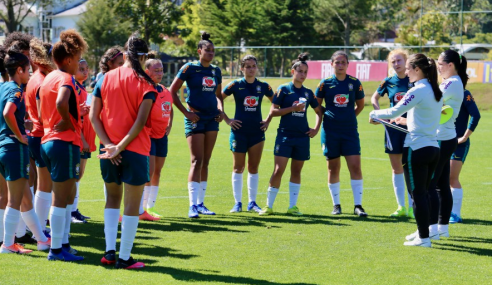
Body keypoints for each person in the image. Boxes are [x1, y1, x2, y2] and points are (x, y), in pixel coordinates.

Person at [90, 34, 156, 269]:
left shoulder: (105, 78)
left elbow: (93, 117)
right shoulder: (146, 83)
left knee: (112, 200)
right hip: (135, 150)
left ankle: (109, 253)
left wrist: (109, 145)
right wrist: (120, 146)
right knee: (131, 205)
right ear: (143, 55)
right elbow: (140, 122)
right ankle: (125, 258)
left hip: (108, 151)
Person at [370, 53, 443, 247]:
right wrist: (405, 121)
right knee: (424, 192)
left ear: (417, 69)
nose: (406, 72)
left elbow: (394, 110)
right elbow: (421, 118)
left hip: (416, 149)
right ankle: (424, 231)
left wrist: (374, 113)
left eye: (409, 68)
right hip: (432, 147)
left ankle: (424, 239)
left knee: (417, 194)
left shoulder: (418, 89)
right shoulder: (434, 89)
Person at [39, 29, 88, 261]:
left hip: (48, 141)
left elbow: (42, 110)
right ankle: (56, 250)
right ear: (68, 60)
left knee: (67, 195)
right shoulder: (66, 78)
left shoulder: (48, 77)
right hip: (63, 143)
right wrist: (69, 123)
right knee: (61, 197)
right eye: (78, 59)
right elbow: (61, 103)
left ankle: (63, 244)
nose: (79, 63)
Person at [259, 53, 323, 216]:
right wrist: (292, 109)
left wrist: (315, 129)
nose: (302, 74)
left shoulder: (309, 93)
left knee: (296, 171)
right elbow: (273, 111)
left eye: (305, 72)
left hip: (302, 137)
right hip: (285, 136)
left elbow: (318, 111)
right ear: (292, 71)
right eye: (300, 71)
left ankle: (292, 207)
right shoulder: (284, 89)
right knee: (278, 170)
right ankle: (268, 206)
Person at [0, 49, 50, 254]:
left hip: (3, 147)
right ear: (19, 70)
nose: (29, 74)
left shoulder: (2, 88)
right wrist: (20, 135)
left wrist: (21, 125)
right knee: (14, 198)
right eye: (28, 70)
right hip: (14, 148)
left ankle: (41, 240)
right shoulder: (16, 90)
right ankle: (8, 244)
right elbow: (7, 112)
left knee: (25, 198)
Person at [169, 32, 224, 218]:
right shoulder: (189, 68)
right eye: (207, 50)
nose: (210, 53)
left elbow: (218, 95)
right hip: (195, 118)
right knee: (196, 160)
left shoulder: (216, 71)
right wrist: (186, 113)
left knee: (206, 162)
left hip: (212, 120)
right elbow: (172, 91)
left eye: (212, 51)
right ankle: (192, 205)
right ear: (199, 51)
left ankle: (201, 204)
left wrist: (220, 111)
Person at [315, 50, 367, 217]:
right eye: (337, 62)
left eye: (343, 62)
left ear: (347, 64)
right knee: (333, 168)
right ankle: (336, 205)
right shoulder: (325, 83)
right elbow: (316, 105)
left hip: (350, 131)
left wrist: (348, 117)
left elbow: (360, 105)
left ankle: (358, 205)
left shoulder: (355, 83)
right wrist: (329, 116)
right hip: (330, 132)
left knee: (355, 166)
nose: (340, 65)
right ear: (332, 64)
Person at [222, 55, 274, 213]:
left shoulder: (263, 86)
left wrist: (268, 119)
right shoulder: (235, 85)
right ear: (242, 68)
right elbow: (217, 98)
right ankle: (237, 203)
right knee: (238, 167)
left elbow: (276, 101)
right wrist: (227, 119)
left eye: (254, 66)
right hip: (238, 132)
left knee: (253, 167)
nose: (251, 69)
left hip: (257, 132)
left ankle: (252, 202)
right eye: (248, 66)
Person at [426, 50, 467, 238]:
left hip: (442, 139)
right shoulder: (452, 82)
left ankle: (430, 229)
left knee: (431, 185)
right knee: (441, 185)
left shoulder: (451, 83)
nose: (438, 67)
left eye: (440, 64)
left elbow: (431, 101)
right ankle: (442, 228)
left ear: (450, 65)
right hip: (445, 137)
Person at [371, 49, 414, 218]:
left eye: (399, 61)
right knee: (396, 169)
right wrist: (381, 115)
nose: (396, 64)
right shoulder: (388, 81)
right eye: (393, 62)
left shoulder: (414, 81)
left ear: (406, 61)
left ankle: (412, 207)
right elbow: (374, 98)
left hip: (411, 129)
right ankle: (401, 207)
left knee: (410, 168)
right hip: (393, 130)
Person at [26, 38, 56, 236]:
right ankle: (39, 230)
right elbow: (43, 114)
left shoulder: (38, 77)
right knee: (45, 186)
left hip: (37, 135)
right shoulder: (41, 80)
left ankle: (37, 228)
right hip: (41, 135)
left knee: (44, 185)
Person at [140, 52, 173, 219]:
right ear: (147, 71)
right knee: (149, 171)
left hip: (162, 136)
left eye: (161, 70)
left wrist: (170, 124)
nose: (160, 73)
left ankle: (150, 207)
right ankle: (142, 208)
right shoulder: (145, 90)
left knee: (158, 172)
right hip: (149, 136)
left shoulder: (165, 90)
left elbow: (170, 108)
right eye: (156, 70)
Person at [449, 89, 480, 223]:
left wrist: (464, 137)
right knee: (439, 178)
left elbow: (476, 115)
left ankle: (455, 214)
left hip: (458, 144)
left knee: (451, 177)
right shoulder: (441, 91)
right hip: (442, 141)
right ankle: (443, 211)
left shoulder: (464, 93)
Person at [72, 58, 96, 223]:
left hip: (86, 138)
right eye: (81, 68)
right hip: (79, 139)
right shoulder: (73, 88)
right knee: (75, 175)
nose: (85, 71)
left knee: (79, 175)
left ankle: (74, 209)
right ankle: (71, 211)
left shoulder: (83, 89)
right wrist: (83, 140)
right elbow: (74, 118)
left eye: (87, 69)